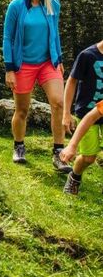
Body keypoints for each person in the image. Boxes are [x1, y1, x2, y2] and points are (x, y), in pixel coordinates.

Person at [3, 0, 71, 171]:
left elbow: (55, 33)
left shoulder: (53, 5)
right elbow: (8, 37)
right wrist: (10, 69)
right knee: (22, 109)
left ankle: (58, 153)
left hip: (48, 63)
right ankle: (19, 146)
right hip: (23, 64)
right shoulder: (16, 6)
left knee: (58, 103)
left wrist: (58, 59)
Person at [59, 39, 103, 194]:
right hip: (87, 112)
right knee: (89, 158)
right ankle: (74, 177)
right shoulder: (87, 55)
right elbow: (71, 82)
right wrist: (66, 113)